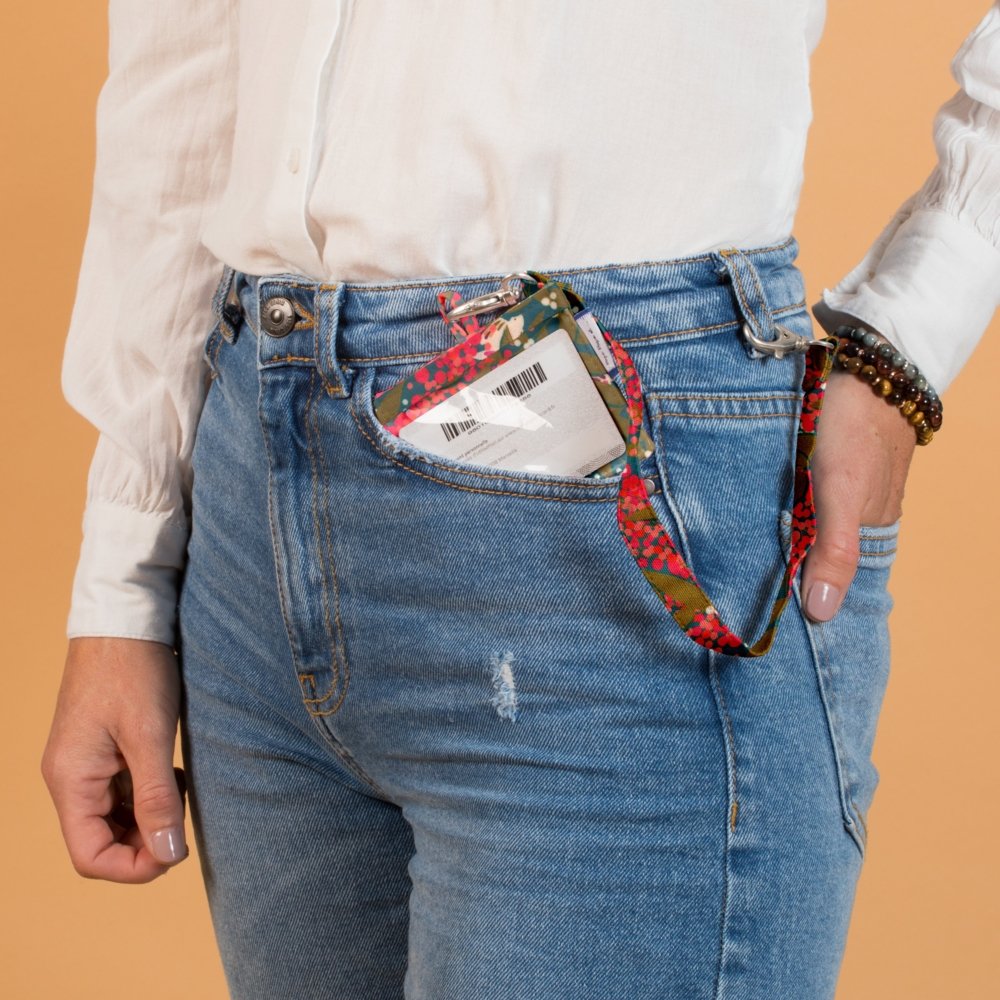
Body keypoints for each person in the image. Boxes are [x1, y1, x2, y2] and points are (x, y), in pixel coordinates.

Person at [41, 3, 1000, 998]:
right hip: (253, 497)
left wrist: (913, 328)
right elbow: (183, 60)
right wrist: (123, 578)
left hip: (616, 475)